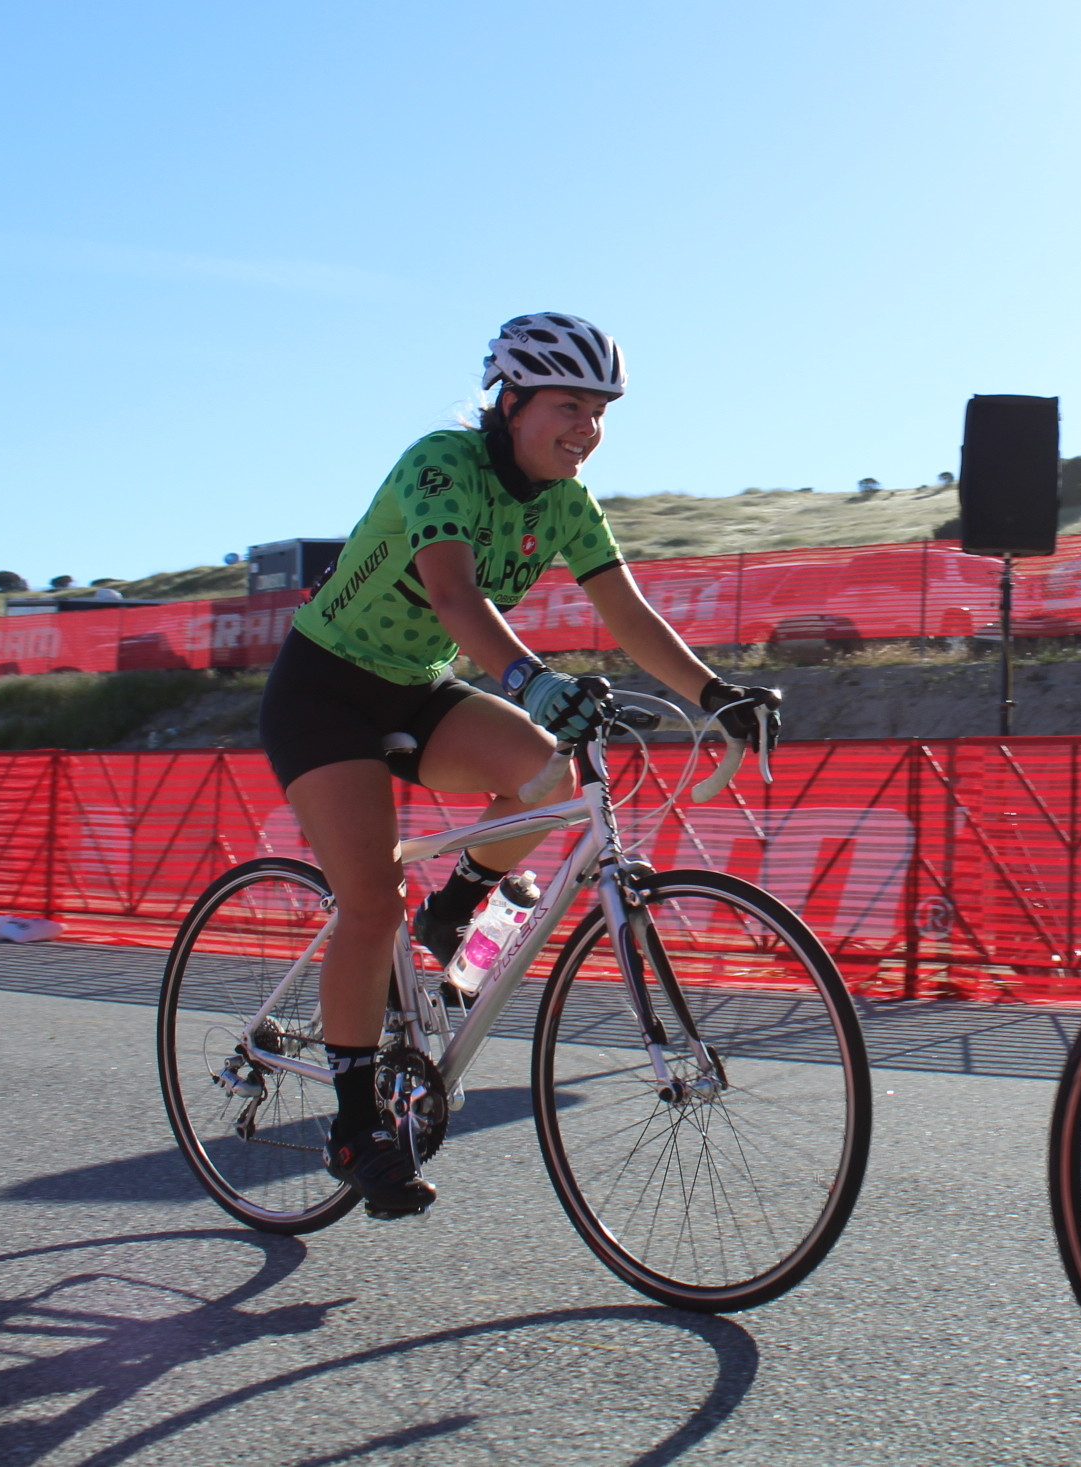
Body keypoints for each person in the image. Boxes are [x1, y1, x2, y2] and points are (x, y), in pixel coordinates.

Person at [257, 313, 779, 1219]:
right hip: (325, 692)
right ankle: (351, 1124)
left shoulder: (569, 503)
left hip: (417, 688)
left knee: (550, 775)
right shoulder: (442, 461)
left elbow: (628, 614)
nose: (585, 428)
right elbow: (454, 593)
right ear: (510, 403)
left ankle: (456, 907)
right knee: (372, 899)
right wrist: (530, 679)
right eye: (567, 406)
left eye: (600, 411)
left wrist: (715, 693)